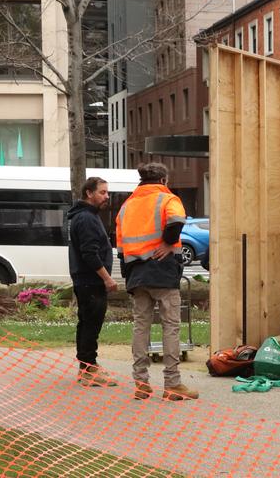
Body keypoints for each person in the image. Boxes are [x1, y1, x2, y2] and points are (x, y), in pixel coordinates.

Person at [116, 163, 199, 401]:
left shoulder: (126, 206)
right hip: (162, 270)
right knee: (170, 326)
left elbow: (120, 246)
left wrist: (129, 275)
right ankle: (172, 383)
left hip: (136, 272)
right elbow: (176, 221)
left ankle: (141, 382)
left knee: (140, 326)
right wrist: (166, 243)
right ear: (163, 179)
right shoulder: (167, 199)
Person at [67, 177, 118, 387]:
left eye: (107, 192)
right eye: (103, 192)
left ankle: (87, 367)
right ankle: (89, 369)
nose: (107, 196)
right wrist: (106, 278)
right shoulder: (86, 218)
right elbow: (89, 253)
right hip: (90, 281)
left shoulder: (86, 216)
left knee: (87, 323)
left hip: (86, 280)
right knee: (91, 325)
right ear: (89, 193)